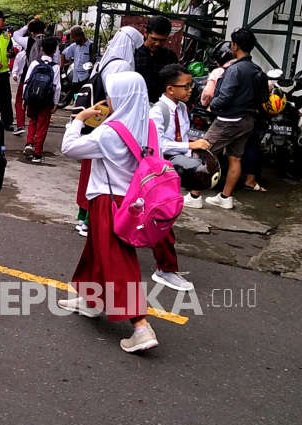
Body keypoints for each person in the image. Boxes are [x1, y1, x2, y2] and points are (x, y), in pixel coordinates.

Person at [60, 71, 159, 354]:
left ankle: (140, 325)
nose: (108, 99)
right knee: (96, 250)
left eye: (112, 94)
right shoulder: (147, 125)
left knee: (116, 258)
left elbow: (69, 148)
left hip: (108, 200)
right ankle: (90, 299)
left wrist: (79, 119)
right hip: (133, 201)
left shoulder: (110, 131)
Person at [72, 26, 143, 237]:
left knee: (90, 173)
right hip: (110, 124)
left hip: (95, 121)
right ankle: (89, 221)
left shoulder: (106, 60)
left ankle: (82, 216)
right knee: (104, 177)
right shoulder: (123, 66)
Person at [146, 64, 207, 292]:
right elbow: (158, 143)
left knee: (152, 216)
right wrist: (188, 145)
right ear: (170, 88)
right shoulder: (157, 111)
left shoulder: (181, 108)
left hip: (174, 170)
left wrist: (192, 152)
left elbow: (182, 135)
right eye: (186, 86)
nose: (191, 89)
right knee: (163, 219)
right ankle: (166, 269)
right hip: (159, 171)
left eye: (191, 85)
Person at [202, 28, 262, 210]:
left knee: (203, 153)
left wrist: (212, 106)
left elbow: (225, 96)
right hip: (247, 120)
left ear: (235, 46)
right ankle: (225, 197)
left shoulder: (234, 69)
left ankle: (194, 195)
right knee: (235, 158)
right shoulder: (256, 69)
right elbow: (263, 98)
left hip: (228, 120)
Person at [23, 36, 61, 163]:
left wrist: (24, 98)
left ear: (41, 48)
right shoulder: (55, 67)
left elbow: (27, 82)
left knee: (33, 121)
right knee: (42, 126)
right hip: (45, 100)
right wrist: (55, 103)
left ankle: (29, 143)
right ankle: (37, 154)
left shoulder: (34, 63)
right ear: (55, 50)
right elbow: (57, 86)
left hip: (32, 98)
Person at [134, 15, 179, 103]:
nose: (157, 43)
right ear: (145, 33)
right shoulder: (134, 53)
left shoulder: (170, 56)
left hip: (160, 105)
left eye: (162, 40)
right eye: (154, 39)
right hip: (136, 103)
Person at [11, 46, 28, 136]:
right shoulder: (22, 54)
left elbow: (15, 68)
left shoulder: (21, 54)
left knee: (19, 101)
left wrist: (15, 74)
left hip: (23, 80)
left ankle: (20, 125)